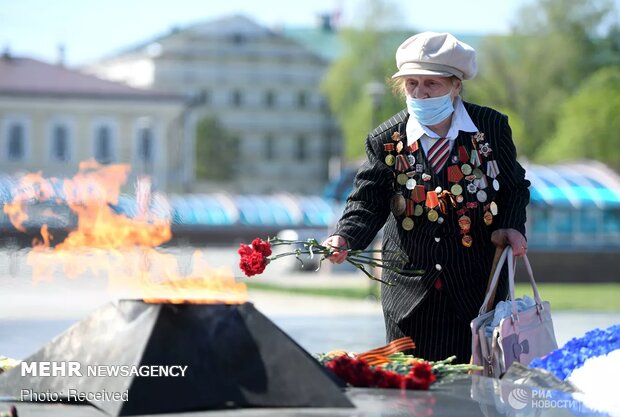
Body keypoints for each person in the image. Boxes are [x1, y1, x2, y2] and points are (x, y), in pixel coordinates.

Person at [323, 32, 530, 363]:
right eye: (411, 84)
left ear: (456, 84)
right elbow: (368, 198)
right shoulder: (385, 139)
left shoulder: (489, 127)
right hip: (408, 292)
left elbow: (514, 187)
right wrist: (345, 236)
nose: (419, 93)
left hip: (475, 287)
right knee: (411, 393)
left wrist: (511, 226)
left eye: (430, 84)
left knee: (471, 391)